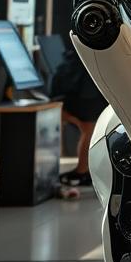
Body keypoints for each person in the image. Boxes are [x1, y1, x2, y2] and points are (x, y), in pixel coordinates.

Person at [51, 43, 107, 186]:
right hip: (92, 90)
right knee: (88, 128)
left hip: (85, 93)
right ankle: (82, 170)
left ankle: (81, 171)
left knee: (87, 127)